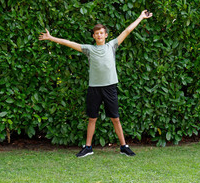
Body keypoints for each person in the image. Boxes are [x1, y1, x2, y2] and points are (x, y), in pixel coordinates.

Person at [39, 10, 153, 157]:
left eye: (102, 33)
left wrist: (141, 17)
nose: (99, 35)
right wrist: (51, 38)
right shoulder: (89, 49)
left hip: (110, 87)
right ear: (94, 36)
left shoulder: (112, 46)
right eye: (96, 33)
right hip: (94, 88)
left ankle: (124, 146)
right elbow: (69, 43)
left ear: (105, 35)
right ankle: (88, 147)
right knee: (92, 118)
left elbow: (127, 30)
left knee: (115, 118)